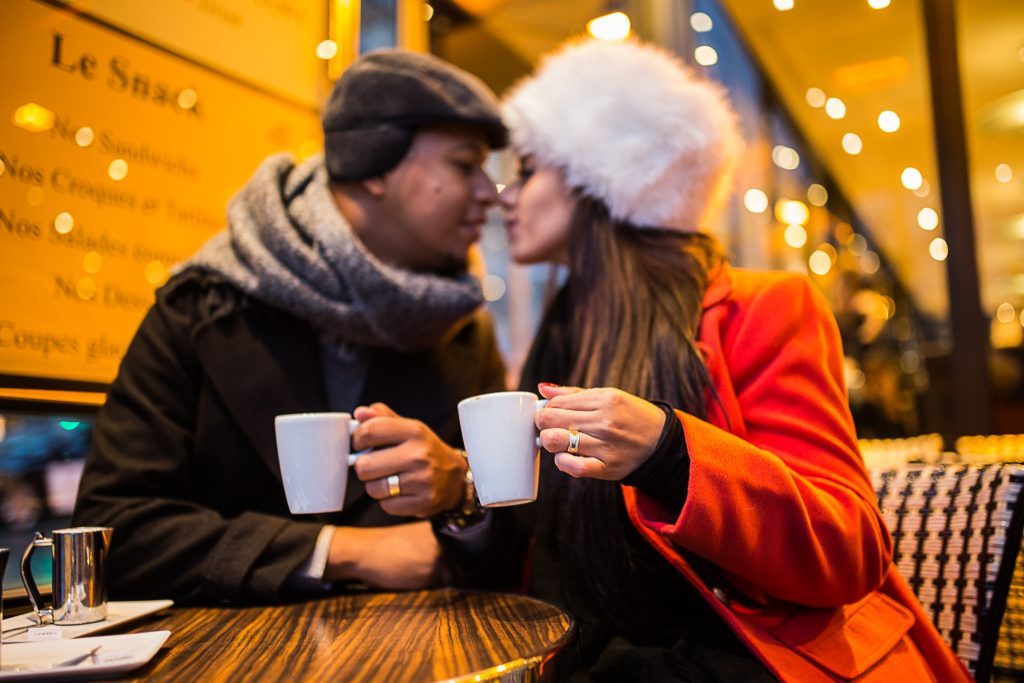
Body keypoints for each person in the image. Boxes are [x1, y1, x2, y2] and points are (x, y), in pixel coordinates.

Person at [440, 40, 969, 681]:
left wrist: (673, 453)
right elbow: (547, 563)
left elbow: (850, 549)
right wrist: (459, 495)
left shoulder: (764, 309)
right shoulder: (561, 336)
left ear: (600, 174)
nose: (506, 195)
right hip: (588, 659)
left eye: (526, 170)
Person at [72, 49, 508, 604]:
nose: (487, 195)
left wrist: (461, 494)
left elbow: (508, 550)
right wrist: (335, 549)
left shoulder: (463, 333)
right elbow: (113, 532)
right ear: (376, 167)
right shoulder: (202, 305)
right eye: (464, 164)